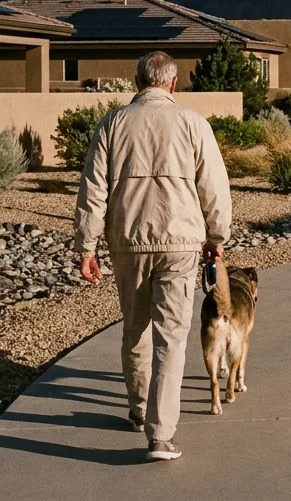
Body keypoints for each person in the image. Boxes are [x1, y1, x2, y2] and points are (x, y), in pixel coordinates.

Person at [73, 51, 232, 462]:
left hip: (127, 242)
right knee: (172, 337)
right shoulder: (195, 124)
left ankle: (138, 408)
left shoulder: (112, 123)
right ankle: (160, 435)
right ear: (173, 84)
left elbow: (93, 191)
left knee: (135, 328)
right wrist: (218, 237)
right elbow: (214, 187)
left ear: (137, 81)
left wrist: (86, 247)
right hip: (180, 242)